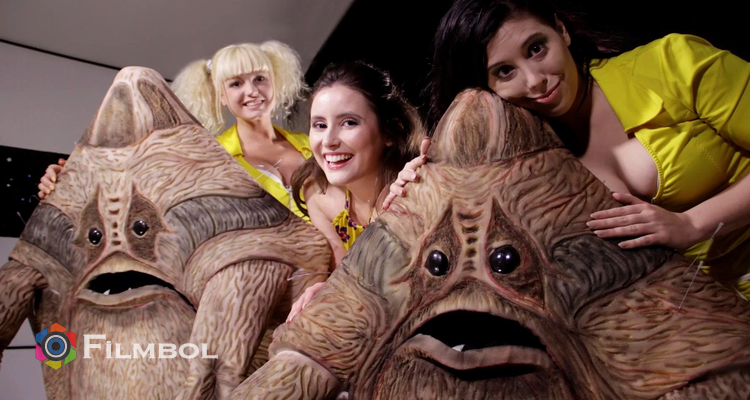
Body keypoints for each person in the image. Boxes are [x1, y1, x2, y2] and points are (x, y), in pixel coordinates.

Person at [384, 0, 750, 298]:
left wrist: (692, 224)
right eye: (505, 71)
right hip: (684, 323)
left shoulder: (671, 63)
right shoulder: (519, 162)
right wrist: (420, 193)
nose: (535, 80)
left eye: (536, 48)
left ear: (561, 30)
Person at [38, 41, 313, 221]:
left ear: (274, 83)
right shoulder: (209, 156)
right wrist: (69, 179)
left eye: (260, 78)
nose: (252, 91)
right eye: (236, 84)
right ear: (221, 96)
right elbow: (136, 189)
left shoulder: (313, 145)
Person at [286, 61, 423, 320]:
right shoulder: (319, 194)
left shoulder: (415, 188)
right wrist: (325, 290)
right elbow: (345, 275)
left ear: (390, 131)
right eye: (320, 125)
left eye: (349, 123)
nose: (329, 141)